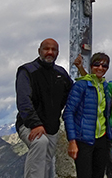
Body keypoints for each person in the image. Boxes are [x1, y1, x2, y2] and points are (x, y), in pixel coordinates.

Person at [15, 38, 72, 178]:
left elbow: (71, 93)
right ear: (39, 51)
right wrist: (35, 124)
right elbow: (23, 100)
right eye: (46, 49)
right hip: (29, 124)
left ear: (58, 53)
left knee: (47, 160)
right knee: (40, 143)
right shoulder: (27, 71)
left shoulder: (61, 73)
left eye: (54, 50)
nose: (50, 52)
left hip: (51, 126)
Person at [63, 52, 112, 178]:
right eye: (97, 64)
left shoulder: (104, 86)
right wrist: (72, 140)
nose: (100, 68)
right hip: (83, 139)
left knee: (99, 175)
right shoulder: (80, 85)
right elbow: (68, 112)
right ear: (91, 65)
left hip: (102, 138)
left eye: (104, 66)